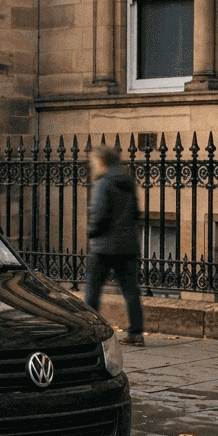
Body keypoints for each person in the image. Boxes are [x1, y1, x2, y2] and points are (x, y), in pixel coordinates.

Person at [85, 144, 144, 346]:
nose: (92, 165)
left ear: (102, 161)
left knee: (93, 291)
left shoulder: (103, 183)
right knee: (131, 292)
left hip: (103, 247)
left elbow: (99, 215)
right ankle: (136, 334)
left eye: (93, 161)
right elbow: (136, 213)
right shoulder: (128, 182)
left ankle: (90, 332)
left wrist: (91, 232)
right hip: (128, 245)